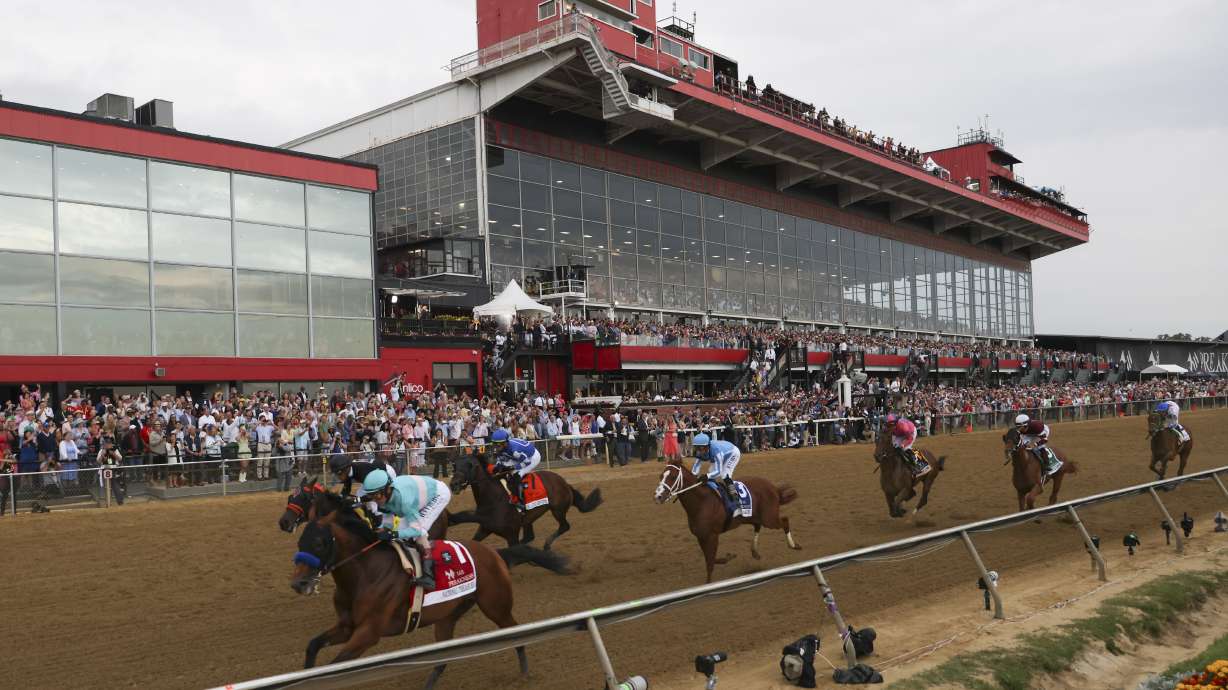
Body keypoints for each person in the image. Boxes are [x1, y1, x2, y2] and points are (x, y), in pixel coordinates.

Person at [361, 469, 451, 592]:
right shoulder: (383, 495)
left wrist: (392, 533)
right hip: (417, 495)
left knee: (420, 532)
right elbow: (387, 518)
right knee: (401, 534)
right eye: (372, 496)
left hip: (439, 494)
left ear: (388, 489)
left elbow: (416, 530)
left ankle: (429, 577)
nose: (375, 500)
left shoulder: (404, 500)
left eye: (377, 495)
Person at [329, 454, 396, 528]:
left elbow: (372, 495)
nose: (338, 477)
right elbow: (346, 489)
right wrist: (341, 499)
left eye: (338, 473)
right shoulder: (348, 469)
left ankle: (380, 522)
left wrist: (355, 500)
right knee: (360, 497)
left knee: (377, 501)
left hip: (386, 473)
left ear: (346, 469)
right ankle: (371, 518)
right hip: (372, 475)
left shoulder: (362, 472)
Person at [489, 428, 540, 509]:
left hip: (532, 458)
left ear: (505, 443)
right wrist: (497, 467)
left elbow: (527, 462)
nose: (495, 447)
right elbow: (500, 459)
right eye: (494, 444)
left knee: (516, 474)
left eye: (497, 444)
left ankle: (521, 502)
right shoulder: (502, 447)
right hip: (518, 456)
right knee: (503, 468)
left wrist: (513, 467)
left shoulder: (515, 451)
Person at [690, 432, 741, 504]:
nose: (698, 450)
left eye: (700, 447)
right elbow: (696, 465)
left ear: (706, 446)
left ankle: (735, 497)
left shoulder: (716, 450)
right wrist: (693, 476)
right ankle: (714, 493)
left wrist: (707, 476)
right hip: (721, 455)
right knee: (711, 471)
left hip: (732, 453)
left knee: (724, 474)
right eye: (696, 447)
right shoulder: (700, 451)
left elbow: (718, 471)